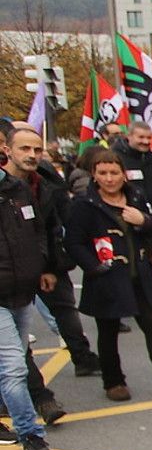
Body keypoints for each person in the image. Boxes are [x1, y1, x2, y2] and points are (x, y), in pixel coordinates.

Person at [63, 150, 152, 403]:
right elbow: (73, 242)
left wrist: (143, 221)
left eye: (114, 172)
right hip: (107, 278)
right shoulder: (84, 205)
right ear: (94, 175)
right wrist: (94, 267)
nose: (109, 178)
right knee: (108, 331)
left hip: (140, 275)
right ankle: (114, 382)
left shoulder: (135, 196)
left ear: (123, 174)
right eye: (102, 173)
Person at [5, 125, 101, 382]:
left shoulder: (45, 181)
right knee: (13, 336)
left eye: (37, 149)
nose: (32, 154)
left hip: (48, 261)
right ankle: (26, 388)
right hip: (10, 271)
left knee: (65, 309)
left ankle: (82, 357)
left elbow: (51, 225)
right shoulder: (6, 188)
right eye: (25, 148)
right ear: (8, 150)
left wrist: (50, 265)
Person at [0, 126, 56, 450]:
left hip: (22, 292)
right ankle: (31, 436)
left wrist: (41, 267)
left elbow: (38, 231)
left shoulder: (17, 188)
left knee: (14, 361)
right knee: (14, 367)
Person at [113, 121, 152, 251]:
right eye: (141, 137)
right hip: (130, 224)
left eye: (148, 137)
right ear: (129, 136)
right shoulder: (116, 158)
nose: (145, 141)